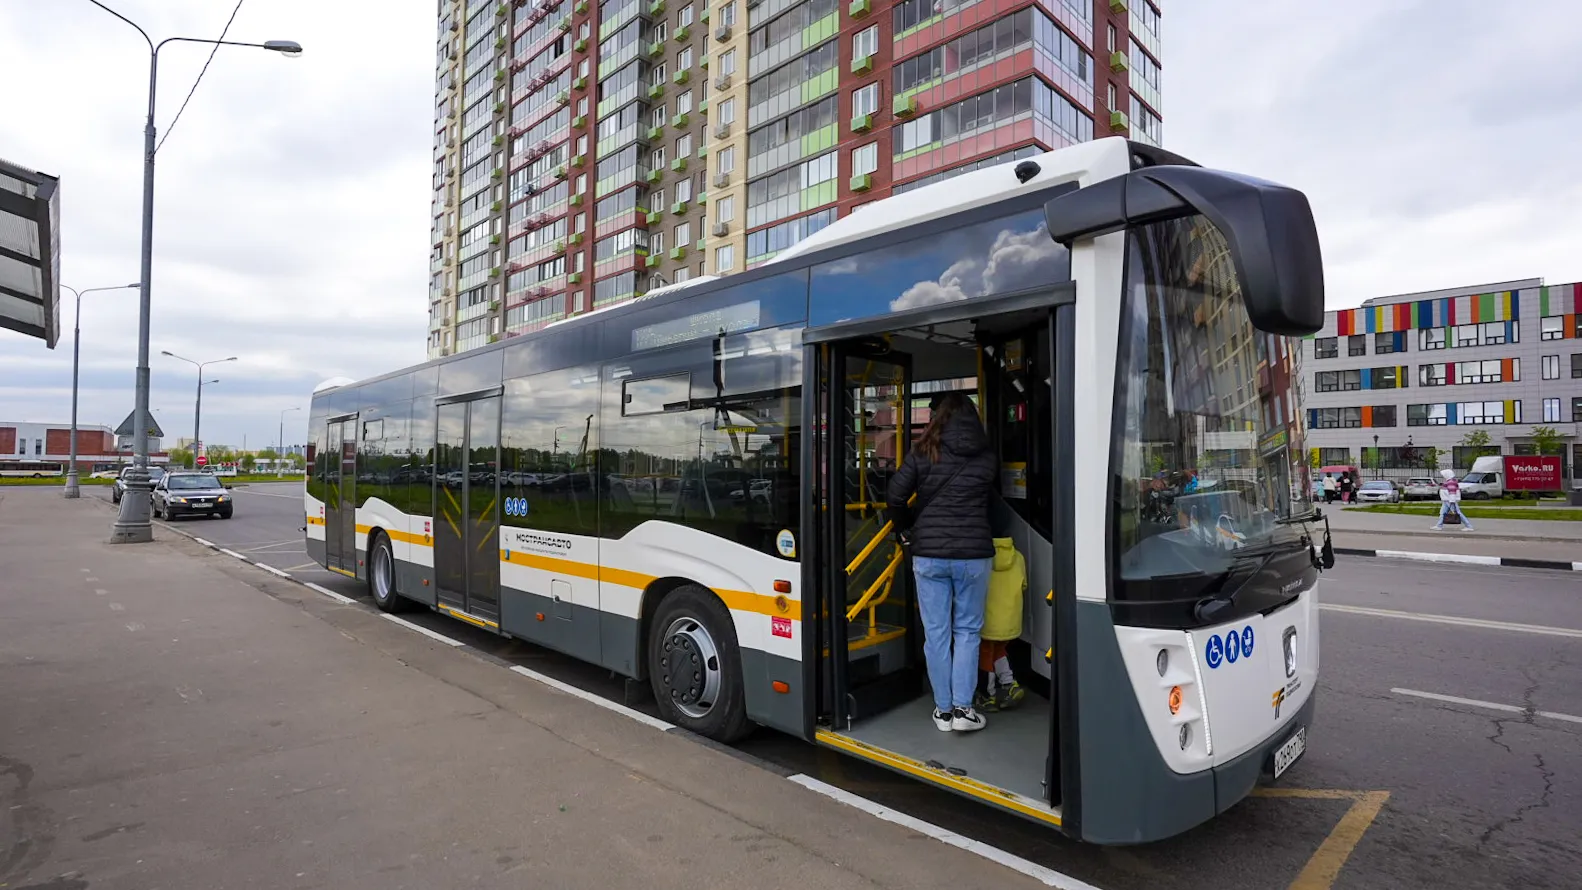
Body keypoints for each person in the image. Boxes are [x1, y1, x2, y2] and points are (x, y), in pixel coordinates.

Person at [887, 392, 998, 733]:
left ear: (939, 418)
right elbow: (991, 504)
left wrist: (907, 529)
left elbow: (895, 495)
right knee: (967, 631)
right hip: (973, 556)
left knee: (936, 633)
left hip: (929, 555)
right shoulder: (987, 456)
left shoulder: (923, 452)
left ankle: (944, 711)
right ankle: (964, 710)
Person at [975, 537, 1027, 713]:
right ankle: (1009, 684)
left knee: (986, 652)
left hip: (987, 617)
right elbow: (1024, 585)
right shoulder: (1018, 557)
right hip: (1010, 617)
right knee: (999, 649)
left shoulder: (981, 556)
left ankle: (987, 695)